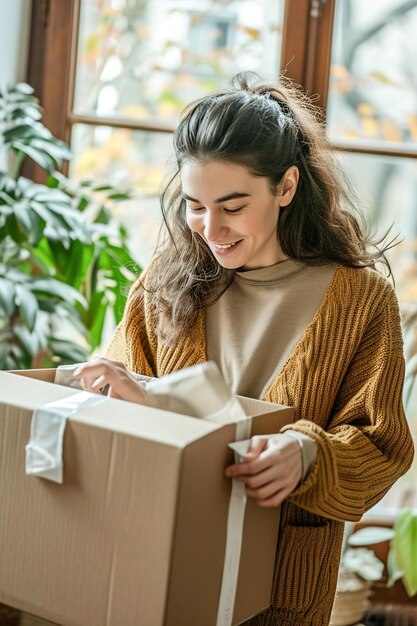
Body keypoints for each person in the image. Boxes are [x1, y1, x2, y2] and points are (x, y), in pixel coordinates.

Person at [74, 73, 414, 625]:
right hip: (154, 566)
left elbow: (384, 447)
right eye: (195, 205)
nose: (211, 228)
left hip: (280, 585)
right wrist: (123, 399)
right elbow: (117, 400)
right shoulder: (165, 281)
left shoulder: (359, 300)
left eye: (233, 206)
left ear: (286, 187)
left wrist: (307, 454)